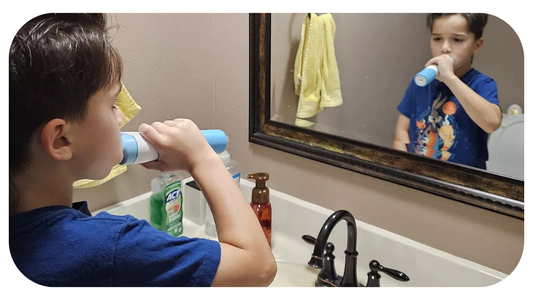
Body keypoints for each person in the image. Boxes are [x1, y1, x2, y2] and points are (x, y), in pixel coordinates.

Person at [9, 13, 276, 287]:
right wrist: (201, 158)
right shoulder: (112, 247)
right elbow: (258, 266)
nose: (122, 117)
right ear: (61, 140)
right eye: (113, 104)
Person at [393, 13, 502, 169]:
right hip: (420, 176)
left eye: (457, 40)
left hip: (464, 182)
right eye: (437, 39)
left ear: (476, 45)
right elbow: (402, 129)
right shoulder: (419, 82)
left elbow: (491, 123)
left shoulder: (482, 84)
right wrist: (403, 166)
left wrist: (450, 79)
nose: (444, 48)